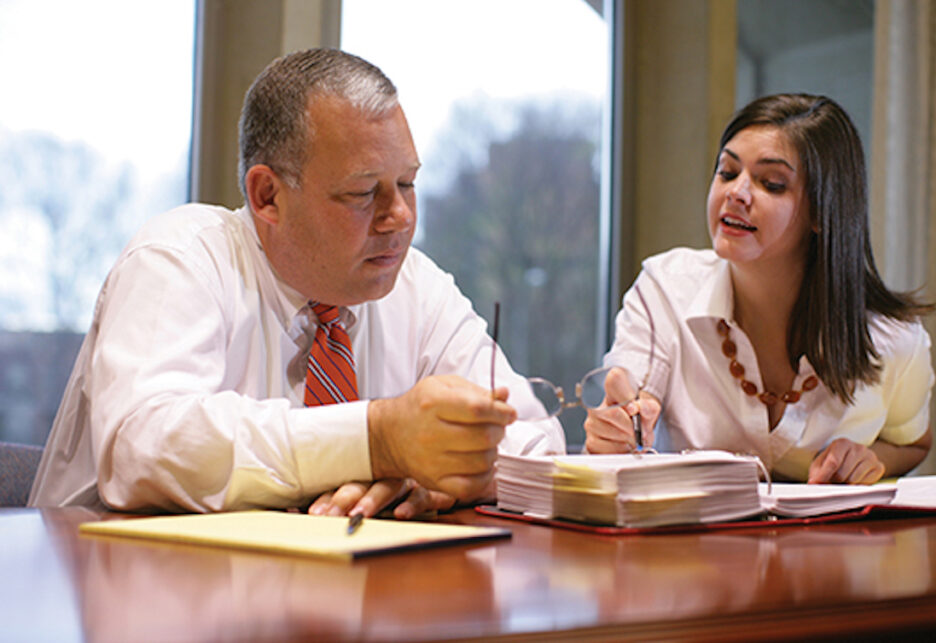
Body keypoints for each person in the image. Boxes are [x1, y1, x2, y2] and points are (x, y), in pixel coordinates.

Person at [29, 48, 564, 516]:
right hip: (117, 582)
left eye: (407, 183)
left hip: (326, 585)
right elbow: (144, 448)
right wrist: (374, 440)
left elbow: (539, 440)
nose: (400, 216)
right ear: (267, 196)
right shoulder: (179, 257)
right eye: (363, 193)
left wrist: (449, 475)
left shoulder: (417, 287)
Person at [585, 93, 934, 484]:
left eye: (772, 184)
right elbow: (627, 400)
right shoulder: (665, 287)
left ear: (822, 211)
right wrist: (616, 428)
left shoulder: (895, 341)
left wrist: (872, 459)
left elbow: (914, 444)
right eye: (727, 172)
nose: (736, 192)